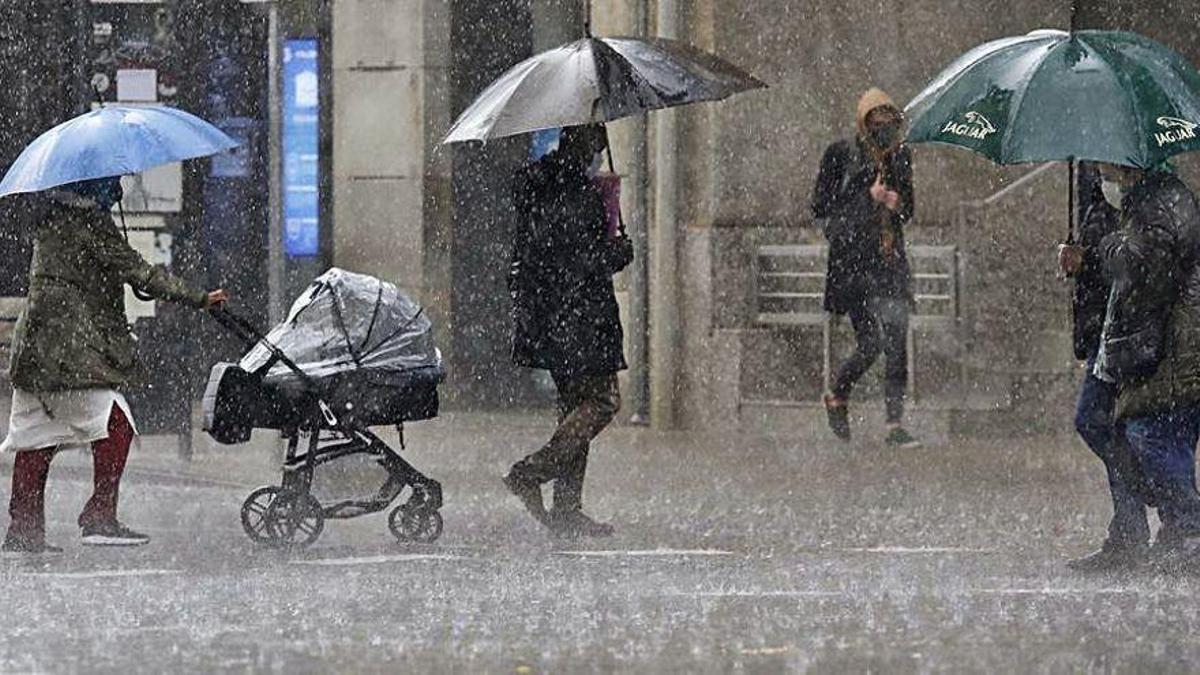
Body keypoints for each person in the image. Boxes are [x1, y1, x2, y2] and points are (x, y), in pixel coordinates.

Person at [2, 177, 227, 555]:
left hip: (38, 346)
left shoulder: (50, 220)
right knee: (116, 424)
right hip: (71, 348)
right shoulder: (87, 224)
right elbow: (141, 273)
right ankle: (99, 516)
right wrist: (201, 298)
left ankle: (24, 529)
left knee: (36, 435)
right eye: (113, 184)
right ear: (95, 188)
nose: (119, 190)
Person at [503, 124, 633, 538]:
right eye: (595, 147)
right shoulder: (575, 194)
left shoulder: (543, 185)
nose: (598, 156)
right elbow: (578, 260)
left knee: (573, 405)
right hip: (578, 316)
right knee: (602, 401)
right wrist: (616, 253)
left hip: (550, 316)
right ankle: (531, 470)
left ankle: (566, 508)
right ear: (583, 146)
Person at [1093, 162, 1200, 572]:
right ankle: (1176, 531)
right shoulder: (1154, 200)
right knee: (1150, 434)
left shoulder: (1159, 202)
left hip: (1169, 343)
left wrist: (1107, 248)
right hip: (1162, 340)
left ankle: (1187, 527)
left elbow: (1147, 270)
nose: (1102, 172)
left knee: (1150, 436)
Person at [812, 88, 919, 448]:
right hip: (854, 264)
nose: (884, 130)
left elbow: (909, 208)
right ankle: (838, 392)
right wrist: (866, 200)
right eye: (877, 122)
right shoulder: (841, 154)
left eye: (890, 122)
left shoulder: (900, 157)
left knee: (896, 340)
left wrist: (895, 202)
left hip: (888, 262)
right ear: (864, 123)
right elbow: (822, 207)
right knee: (871, 342)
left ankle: (894, 423)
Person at [1060, 162, 1150, 571]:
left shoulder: (1137, 189)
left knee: (1098, 420)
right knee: (1105, 424)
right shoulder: (1091, 182)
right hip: (1105, 326)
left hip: (1126, 329)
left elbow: (1134, 258)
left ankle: (1149, 503)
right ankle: (1129, 529)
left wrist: (1088, 260)